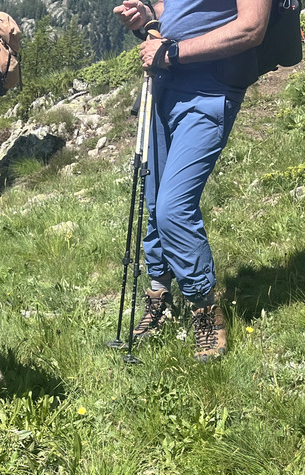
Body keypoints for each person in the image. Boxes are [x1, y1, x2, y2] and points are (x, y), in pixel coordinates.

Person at [113, 0, 271, 361]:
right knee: (153, 200)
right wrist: (148, 20)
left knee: (173, 208)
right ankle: (160, 297)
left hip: (208, 91)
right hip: (165, 87)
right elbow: (170, 12)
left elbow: (251, 28)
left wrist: (172, 53)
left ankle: (204, 309)